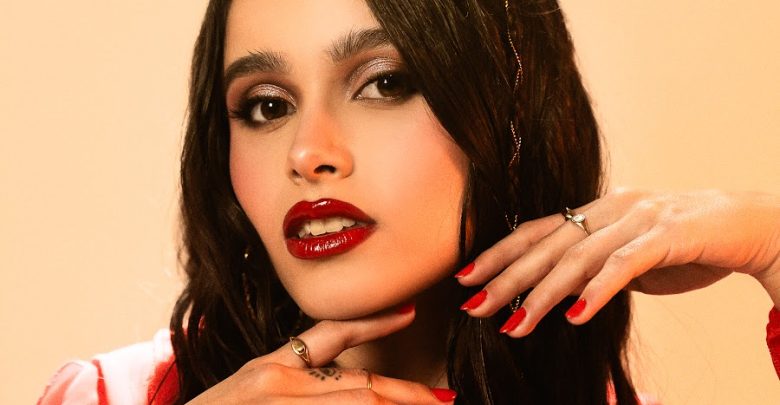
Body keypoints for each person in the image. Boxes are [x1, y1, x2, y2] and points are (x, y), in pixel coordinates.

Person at [38, 0, 780, 404]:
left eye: (384, 83)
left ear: (512, 116)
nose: (307, 151)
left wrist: (774, 245)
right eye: (266, 105)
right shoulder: (110, 396)